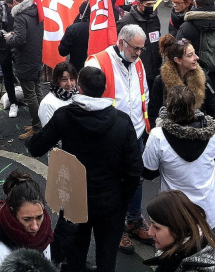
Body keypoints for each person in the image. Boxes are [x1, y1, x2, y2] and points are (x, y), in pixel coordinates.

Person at [26, 67, 143, 272]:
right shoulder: (122, 122)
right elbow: (134, 169)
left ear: (80, 87)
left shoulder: (64, 116)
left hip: (74, 202)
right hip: (111, 202)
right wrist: (122, 197)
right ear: (105, 88)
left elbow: (36, 147)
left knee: (76, 258)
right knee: (107, 259)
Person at [84, 25, 153, 253]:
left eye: (142, 49)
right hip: (110, 137)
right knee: (115, 183)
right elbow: (87, 102)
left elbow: (144, 92)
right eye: (136, 48)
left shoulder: (137, 62)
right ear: (121, 42)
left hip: (136, 133)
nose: (139, 53)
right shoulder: (97, 63)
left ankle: (134, 220)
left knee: (137, 179)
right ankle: (117, 227)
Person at [143, 85, 215, 228]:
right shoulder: (213, 133)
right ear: (194, 106)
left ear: (168, 105)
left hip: (172, 212)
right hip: (207, 211)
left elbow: (148, 172)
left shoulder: (158, 136)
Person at [0, 170, 54, 272]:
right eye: (27, 219)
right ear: (12, 213)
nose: (35, 227)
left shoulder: (44, 236)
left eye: (39, 217)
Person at [142, 191, 215, 272]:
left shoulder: (187, 266)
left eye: (157, 227)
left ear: (178, 228)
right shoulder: (208, 243)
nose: (150, 233)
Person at [6, 0, 44, 139]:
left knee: (30, 95)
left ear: (15, 2)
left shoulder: (20, 17)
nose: (10, 9)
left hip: (25, 61)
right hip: (37, 57)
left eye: (10, 6)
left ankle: (36, 126)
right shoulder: (36, 11)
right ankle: (42, 121)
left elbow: (20, 40)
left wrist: (10, 38)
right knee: (38, 91)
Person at [117, 0, 163, 87]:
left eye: (153, 4)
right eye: (148, 5)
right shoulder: (125, 22)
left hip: (155, 70)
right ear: (139, 4)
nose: (151, 7)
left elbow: (157, 39)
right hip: (136, 71)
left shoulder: (154, 19)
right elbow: (118, 46)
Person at [38, 62, 78, 127]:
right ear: (56, 81)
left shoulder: (77, 96)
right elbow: (49, 133)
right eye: (64, 80)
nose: (69, 83)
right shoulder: (48, 104)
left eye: (72, 79)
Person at [59, 1, 90, 71]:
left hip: (76, 69)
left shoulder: (73, 29)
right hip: (95, 68)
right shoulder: (99, 28)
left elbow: (63, 51)